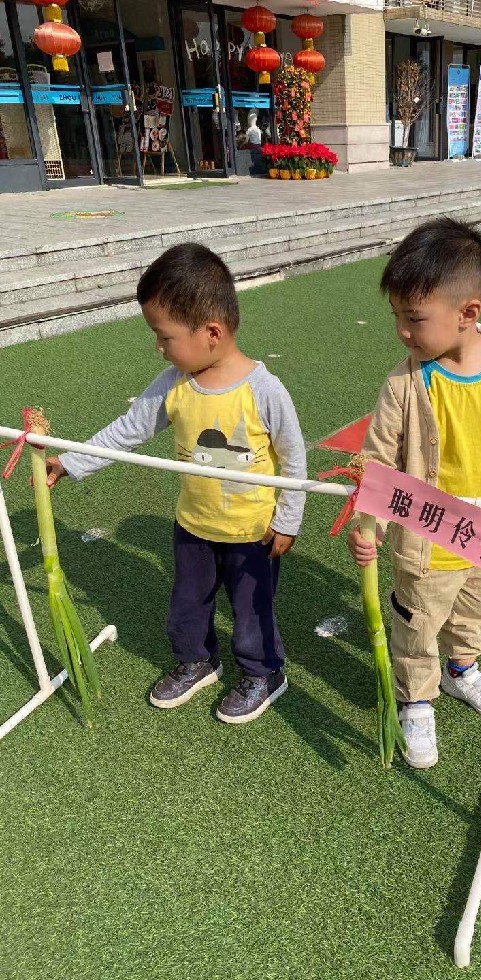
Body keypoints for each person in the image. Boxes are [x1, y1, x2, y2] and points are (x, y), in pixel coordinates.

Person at [45, 243, 307, 724]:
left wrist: (287, 521)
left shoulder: (265, 391)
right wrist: (70, 461)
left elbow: (293, 461)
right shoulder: (174, 383)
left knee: (252, 610)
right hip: (193, 526)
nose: (159, 348)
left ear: (212, 333)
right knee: (187, 604)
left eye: (164, 336)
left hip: (253, 531)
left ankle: (263, 672)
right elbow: (127, 431)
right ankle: (197, 661)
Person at [348, 218, 481, 769]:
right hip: (427, 539)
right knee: (418, 620)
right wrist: (367, 524)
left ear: (468, 312)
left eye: (414, 318)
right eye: (396, 316)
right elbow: (376, 460)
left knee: (477, 614)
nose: (402, 331)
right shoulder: (405, 383)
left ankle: (461, 669)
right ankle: (417, 698)